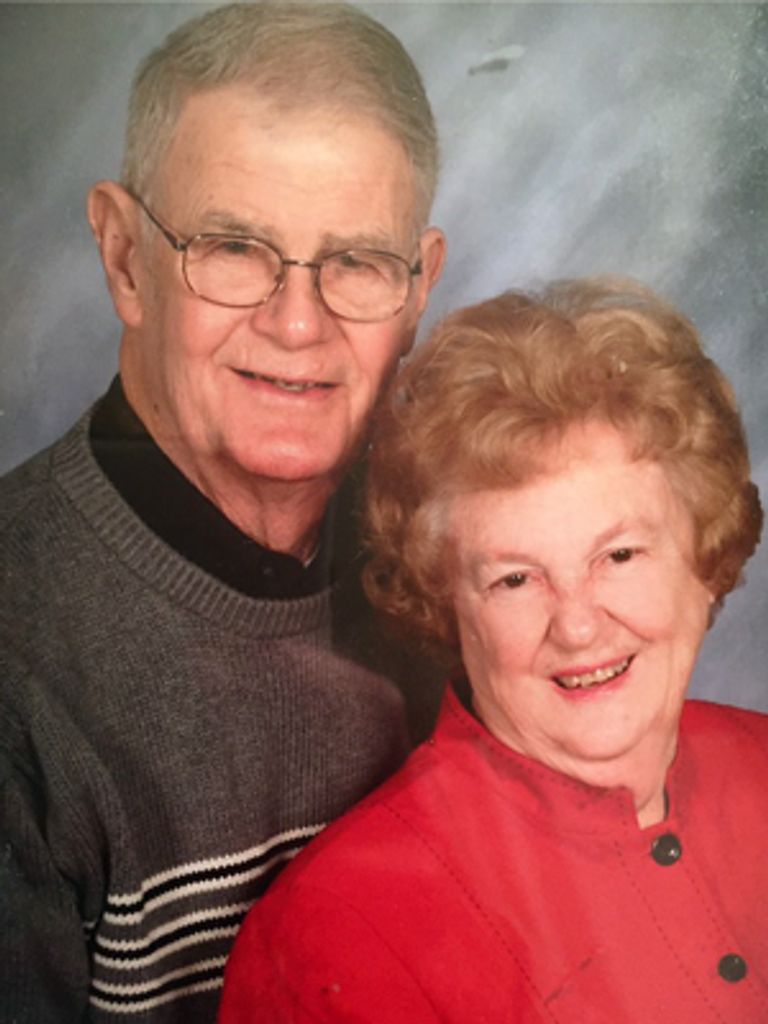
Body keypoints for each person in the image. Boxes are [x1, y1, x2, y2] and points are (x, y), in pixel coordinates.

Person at [0, 3, 445, 1022]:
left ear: (419, 286)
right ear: (124, 258)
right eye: (235, 247)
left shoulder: (468, 567)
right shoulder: (19, 668)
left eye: (357, 262)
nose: (297, 323)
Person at [219, 278, 767, 1023]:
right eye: (515, 579)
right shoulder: (340, 925)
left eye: (620, 556)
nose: (577, 626)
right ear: (447, 605)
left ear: (705, 557)